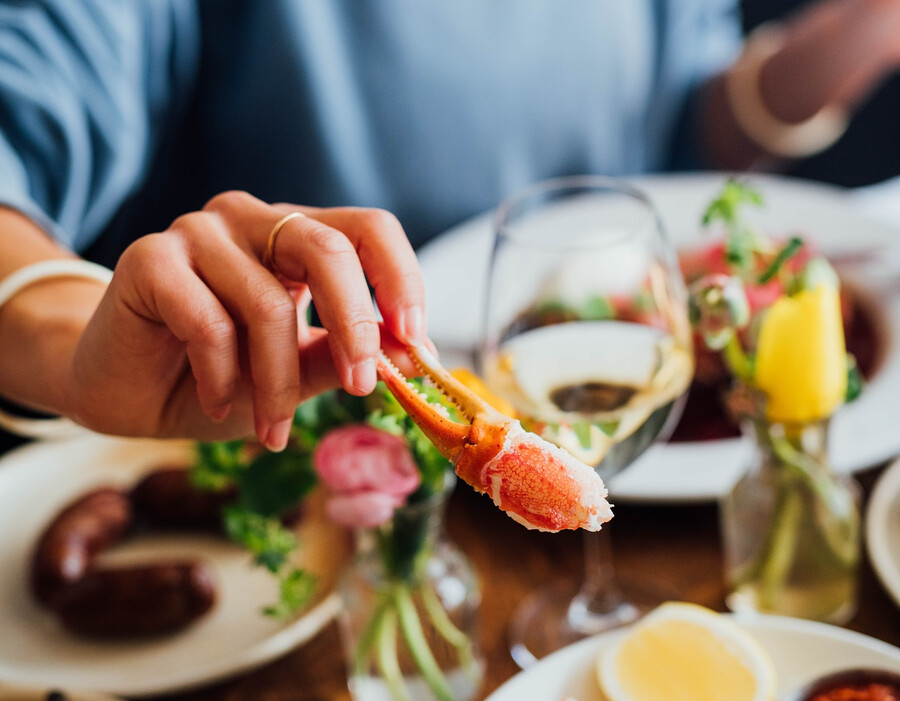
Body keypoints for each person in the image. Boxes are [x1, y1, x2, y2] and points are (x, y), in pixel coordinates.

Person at [1, 0, 899, 453]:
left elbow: (675, 121)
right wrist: (71, 342)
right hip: (322, 458)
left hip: (624, 420)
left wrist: (840, 48)